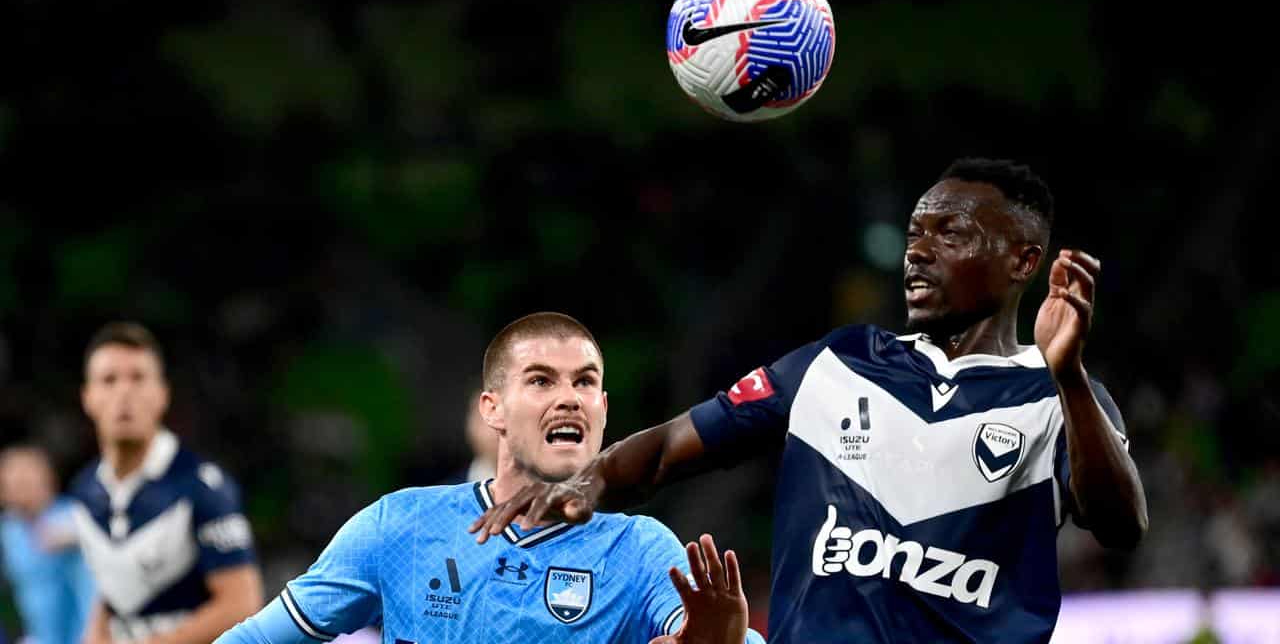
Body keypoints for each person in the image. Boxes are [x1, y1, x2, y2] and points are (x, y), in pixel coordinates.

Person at [472, 160, 1150, 643]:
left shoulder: (1059, 395)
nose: (918, 252)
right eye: (916, 232)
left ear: (1023, 262)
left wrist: (1067, 378)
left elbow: (1120, 524)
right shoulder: (838, 362)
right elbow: (667, 450)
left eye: (952, 234)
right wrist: (585, 483)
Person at [215, 312, 763, 644]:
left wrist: (731, 637)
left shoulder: (639, 551)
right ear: (492, 409)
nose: (568, 397)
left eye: (585, 382)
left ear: (602, 409)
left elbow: (713, 633)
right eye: (542, 381)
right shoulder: (399, 525)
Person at [69, 322, 263, 644]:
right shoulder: (85, 491)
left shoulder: (203, 487)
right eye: (109, 380)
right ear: (87, 398)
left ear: (162, 395)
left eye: (138, 378)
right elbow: (110, 591)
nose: (124, 392)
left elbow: (241, 604)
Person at [0, 445, 96, 644]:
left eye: (26, 476)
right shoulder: (9, 529)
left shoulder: (75, 514)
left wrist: (76, 535)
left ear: (49, 478)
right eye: (11, 479)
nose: (18, 484)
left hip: (83, 635)